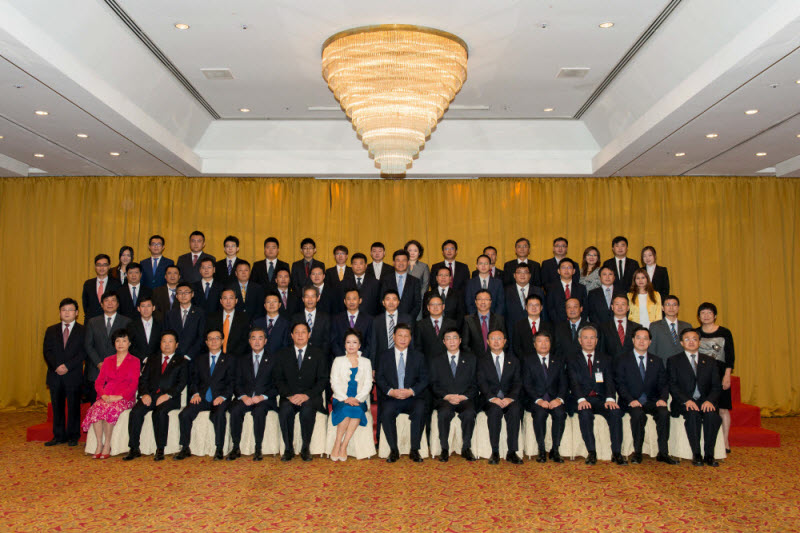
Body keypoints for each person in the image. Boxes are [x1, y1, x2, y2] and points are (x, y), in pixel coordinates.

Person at [615, 327, 677, 465]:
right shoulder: (623, 359)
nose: (642, 341)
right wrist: (630, 400)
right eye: (638, 338)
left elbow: (664, 384)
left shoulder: (657, 360)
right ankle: (637, 453)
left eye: (645, 338)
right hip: (630, 401)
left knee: (664, 413)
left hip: (651, 401)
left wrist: (663, 399)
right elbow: (620, 384)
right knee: (638, 415)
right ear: (633, 340)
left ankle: (663, 453)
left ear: (650, 342)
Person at [123, 330, 189, 461]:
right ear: (160, 344)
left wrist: (168, 395)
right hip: (151, 396)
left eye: (170, 341)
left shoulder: (182, 361)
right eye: (164, 341)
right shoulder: (152, 359)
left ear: (176, 345)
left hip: (170, 398)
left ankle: (160, 449)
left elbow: (181, 383)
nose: (167, 344)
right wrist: (144, 394)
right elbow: (143, 380)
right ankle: (134, 448)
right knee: (136, 412)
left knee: (159, 413)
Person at [567, 325, 626, 465]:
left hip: (600, 399)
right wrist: (581, 399)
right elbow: (573, 382)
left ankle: (617, 453)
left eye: (592, 338)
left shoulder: (605, 358)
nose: (589, 341)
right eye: (585, 338)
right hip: (581, 399)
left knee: (615, 412)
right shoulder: (572, 359)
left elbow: (610, 381)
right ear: (580, 340)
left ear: (597, 340)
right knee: (585, 413)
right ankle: (591, 452)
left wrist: (610, 398)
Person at [274, 322, 329, 462]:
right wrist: (289, 395)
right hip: (290, 396)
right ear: (291, 335)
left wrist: (307, 395)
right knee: (285, 410)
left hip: (310, 396)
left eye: (303, 332)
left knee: (307, 409)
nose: (300, 335)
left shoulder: (318, 354)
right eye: (296, 332)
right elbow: (278, 379)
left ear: (309, 335)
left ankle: (305, 447)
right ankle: (288, 449)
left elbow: (323, 380)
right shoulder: (282, 354)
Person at [175, 328, 232, 461]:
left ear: (222, 341)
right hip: (201, 398)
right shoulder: (199, 359)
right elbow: (193, 380)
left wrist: (223, 397)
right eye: (210, 339)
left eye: (217, 338)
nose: (214, 341)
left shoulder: (229, 359)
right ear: (206, 342)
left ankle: (219, 449)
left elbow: (232, 382)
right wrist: (195, 393)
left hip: (220, 398)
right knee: (184, 414)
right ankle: (185, 448)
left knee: (219, 415)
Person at [82, 329, 140, 458]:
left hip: (124, 397)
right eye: (117, 341)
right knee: (96, 408)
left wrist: (119, 397)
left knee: (109, 409)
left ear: (129, 343)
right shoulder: (108, 360)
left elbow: (134, 384)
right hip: (107, 396)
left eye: (124, 341)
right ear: (114, 343)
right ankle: (99, 444)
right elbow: (98, 382)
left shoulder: (134, 361)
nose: (120, 344)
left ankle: (107, 444)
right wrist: (103, 395)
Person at [667, 329, 722, 466]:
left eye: (694, 339)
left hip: (705, 401)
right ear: (681, 342)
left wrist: (710, 401)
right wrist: (686, 400)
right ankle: (696, 454)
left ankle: (709, 455)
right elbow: (672, 385)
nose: (691, 342)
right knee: (693, 415)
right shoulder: (674, 361)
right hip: (684, 401)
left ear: (699, 342)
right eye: (687, 339)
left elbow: (716, 386)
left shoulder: (710, 361)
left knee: (712, 416)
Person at [376, 323, 428, 463]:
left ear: (410, 338)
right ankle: (394, 450)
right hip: (392, 397)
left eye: (406, 336)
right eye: (400, 335)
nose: (403, 339)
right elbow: (379, 378)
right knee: (386, 412)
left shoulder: (418, 356)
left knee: (421, 409)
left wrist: (411, 391)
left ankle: (414, 450)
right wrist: (391, 391)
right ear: (393, 337)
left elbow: (424, 379)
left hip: (412, 397)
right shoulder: (384, 356)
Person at [226, 327, 279, 461]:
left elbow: (277, 385)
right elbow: (236, 382)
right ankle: (236, 447)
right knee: (235, 410)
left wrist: (262, 397)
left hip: (265, 399)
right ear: (249, 341)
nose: (257, 341)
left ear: (265, 341)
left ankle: (258, 448)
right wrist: (243, 396)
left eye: (260, 338)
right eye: (253, 338)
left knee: (259, 411)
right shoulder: (242, 360)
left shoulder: (273, 359)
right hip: (246, 398)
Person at [43, 298, 86, 447]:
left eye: (70, 310)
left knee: (74, 406)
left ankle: (73, 435)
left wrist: (67, 366)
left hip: (73, 374)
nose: (67, 313)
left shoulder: (83, 330)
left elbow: (83, 352)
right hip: (55, 374)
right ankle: (58, 435)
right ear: (60, 313)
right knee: (57, 407)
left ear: (77, 313)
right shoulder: (51, 330)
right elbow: (47, 351)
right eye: (64, 310)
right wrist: (57, 366)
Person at [430, 328, 478, 462]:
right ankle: (444, 449)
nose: (452, 341)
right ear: (444, 342)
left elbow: (475, 384)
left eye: (455, 338)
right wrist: (447, 396)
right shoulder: (436, 360)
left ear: (460, 340)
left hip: (464, 398)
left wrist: (463, 396)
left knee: (469, 413)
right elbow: (433, 384)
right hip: (445, 399)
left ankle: (466, 448)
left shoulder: (471, 359)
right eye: (448, 338)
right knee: (444, 413)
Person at [478, 328, 523, 465]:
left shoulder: (513, 360)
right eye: (493, 339)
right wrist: (492, 398)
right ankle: (495, 451)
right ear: (487, 342)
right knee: (494, 411)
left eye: (499, 339)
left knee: (515, 410)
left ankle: (512, 452)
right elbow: (481, 382)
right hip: (490, 399)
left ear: (504, 341)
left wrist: (510, 398)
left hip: (509, 399)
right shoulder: (482, 361)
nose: (496, 342)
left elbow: (518, 382)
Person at [696, 302, 735, 453]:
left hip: (720, 374)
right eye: (703, 313)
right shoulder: (695, 333)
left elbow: (730, 356)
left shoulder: (725, 332)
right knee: (705, 407)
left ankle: (725, 441)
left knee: (723, 409)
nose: (706, 316)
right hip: (702, 376)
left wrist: (727, 375)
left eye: (709, 313)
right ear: (699, 316)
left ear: (715, 315)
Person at [523, 331, 567, 463]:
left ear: (550, 343)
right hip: (536, 400)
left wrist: (559, 399)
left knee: (560, 413)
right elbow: (527, 384)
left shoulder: (558, 360)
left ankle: (555, 450)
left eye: (546, 341)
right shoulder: (528, 360)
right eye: (540, 341)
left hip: (554, 399)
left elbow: (564, 383)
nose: (543, 344)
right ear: (534, 344)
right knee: (540, 414)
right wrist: (538, 400)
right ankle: (541, 450)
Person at [330, 329, 373, 461]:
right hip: (341, 399)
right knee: (346, 409)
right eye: (348, 342)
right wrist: (345, 399)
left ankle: (344, 445)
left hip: (359, 400)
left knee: (356, 410)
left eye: (355, 342)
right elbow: (334, 382)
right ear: (344, 345)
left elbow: (368, 384)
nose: (351, 345)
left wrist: (358, 399)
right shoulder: (338, 360)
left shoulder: (366, 362)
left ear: (359, 345)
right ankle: (337, 443)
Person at [84, 292, 131, 403]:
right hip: (96, 370)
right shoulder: (92, 322)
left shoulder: (127, 322)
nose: (110, 303)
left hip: (119, 371)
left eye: (113, 300)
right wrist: (99, 363)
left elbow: (128, 346)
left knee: (115, 407)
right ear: (101, 304)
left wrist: (114, 364)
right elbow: (88, 345)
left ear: (118, 304)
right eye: (106, 301)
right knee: (95, 406)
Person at [163, 282, 206, 362]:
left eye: (186, 292)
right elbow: (167, 335)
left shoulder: (200, 313)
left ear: (192, 294)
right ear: (176, 296)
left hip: (194, 357)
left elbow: (201, 337)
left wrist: (189, 355)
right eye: (180, 293)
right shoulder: (170, 314)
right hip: (174, 357)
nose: (183, 295)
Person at [370, 290, 414, 368]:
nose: (391, 302)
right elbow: (374, 344)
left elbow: (411, 341)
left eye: (394, 299)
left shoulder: (407, 319)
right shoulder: (376, 320)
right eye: (388, 299)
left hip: (402, 359)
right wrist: (373, 366)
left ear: (398, 302)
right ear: (383, 302)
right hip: (382, 361)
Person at [504, 263, 546, 340]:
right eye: (519, 272)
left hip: (535, 330)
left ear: (530, 275)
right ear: (514, 275)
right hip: (512, 332)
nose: (522, 275)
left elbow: (543, 313)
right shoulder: (506, 291)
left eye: (525, 272)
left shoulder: (538, 291)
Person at [462, 289, 506, 360]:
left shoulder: (499, 319)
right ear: (475, 302)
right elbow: (465, 344)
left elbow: (505, 341)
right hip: (475, 360)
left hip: (495, 359)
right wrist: (474, 358)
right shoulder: (468, 320)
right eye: (479, 299)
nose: (483, 302)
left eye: (486, 299)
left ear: (490, 301)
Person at [206, 289, 250, 358]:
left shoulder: (244, 318)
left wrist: (231, 357)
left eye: (231, 298)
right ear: (221, 301)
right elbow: (208, 338)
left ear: (236, 300)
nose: (228, 301)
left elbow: (244, 341)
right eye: (225, 298)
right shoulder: (212, 318)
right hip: (216, 356)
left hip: (237, 357)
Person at [330, 289, 373, 361]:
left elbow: (370, 343)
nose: (351, 302)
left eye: (354, 299)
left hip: (361, 360)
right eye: (349, 299)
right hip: (341, 360)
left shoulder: (369, 320)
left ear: (360, 300)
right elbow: (333, 342)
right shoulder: (336, 319)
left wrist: (361, 358)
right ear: (344, 301)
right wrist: (343, 358)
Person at [381, 250, 422, 320]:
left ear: (408, 262)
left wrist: (409, 319)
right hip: (389, 319)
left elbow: (417, 304)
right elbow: (381, 300)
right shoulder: (386, 280)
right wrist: (390, 317)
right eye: (398, 260)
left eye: (404, 260)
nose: (401, 263)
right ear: (393, 263)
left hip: (408, 321)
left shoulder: (415, 281)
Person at [649, 295, 692, 362]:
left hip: (683, 364)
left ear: (678, 308)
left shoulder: (687, 326)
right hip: (663, 364)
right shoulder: (655, 326)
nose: (671, 308)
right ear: (662, 308)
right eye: (668, 305)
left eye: (674, 305)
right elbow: (651, 349)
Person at [292, 285, 331, 357]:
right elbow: (292, 339)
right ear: (303, 299)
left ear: (318, 298)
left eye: (313, 296)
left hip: (320, 356)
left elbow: (327, 341)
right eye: (307, 296)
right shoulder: (295, 318)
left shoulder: (325, 318)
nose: (310, 300)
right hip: (300, 355)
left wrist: (321, 356)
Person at [414, 295, 455, 362]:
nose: (435, 307)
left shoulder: (452, 324)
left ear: (443, 306)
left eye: (438, 304)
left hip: (447, 363)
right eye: (432, 304)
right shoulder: (420, 325)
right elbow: (418, 347)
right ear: (428, 307)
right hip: (427, 363)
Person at [511, 294, 553, 359]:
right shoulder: (518, 326)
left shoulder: (549, 326)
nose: (534, 308)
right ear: (526, 307)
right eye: (530, 305)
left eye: (537, 305)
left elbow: (552, 346)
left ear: (541, 307)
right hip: (524, 361)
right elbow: (516, 347)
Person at [82, 254, 122, 321]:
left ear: (109, 266)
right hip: (91, 321)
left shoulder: (116, 284)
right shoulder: (88, 284)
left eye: (104, 265)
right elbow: (85, 305)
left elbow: (119, 304)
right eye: (99, 265)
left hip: (110, 321)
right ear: (95, 267)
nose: (102, 268)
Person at [342, 253, 382, 317]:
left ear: (366, 265)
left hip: (370, 318)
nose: (358, 266)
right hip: (350, 318)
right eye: (355, 264)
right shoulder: (344, 282)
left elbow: (379, 304)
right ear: (351, 265)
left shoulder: (375, 282)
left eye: (361, 263)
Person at [128, 296, 162, 361]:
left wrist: (153, 359)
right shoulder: (131, 326)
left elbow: (161, 344)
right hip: (137, 361)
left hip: (156, 362)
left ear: (153, 308)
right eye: (143, 306)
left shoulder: (160, 325)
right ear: (138, 309)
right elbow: (130, 345)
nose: (146, 309)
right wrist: (144, 358)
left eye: (148, 306)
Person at [324, 245, 353, 315]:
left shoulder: (352, 271)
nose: (340, 256)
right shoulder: (329, 272)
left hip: (349, 305)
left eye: (342, 253)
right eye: (338, 254)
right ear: (334, 256)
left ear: (346, 256)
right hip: (333, 307)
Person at [405, 239, 430, 316]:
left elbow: (425, 285)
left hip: (418, 302)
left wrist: (418, 299)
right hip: (402, 301)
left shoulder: (424, 267)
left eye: (415, 250)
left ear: (419, 253)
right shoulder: (401, 265)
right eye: (410, 250)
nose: (412, 253)